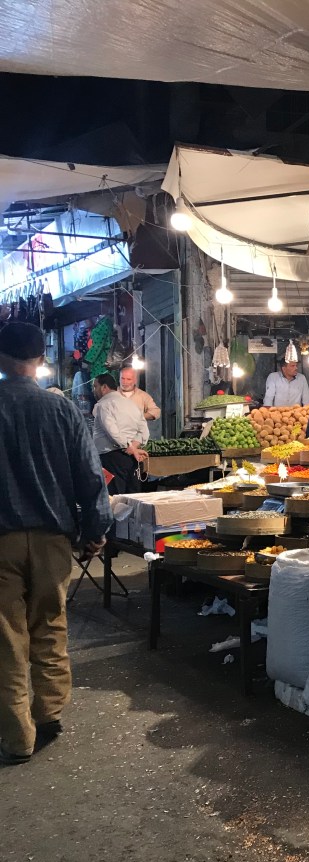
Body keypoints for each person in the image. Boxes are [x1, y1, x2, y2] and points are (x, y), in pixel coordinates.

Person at [0, 322, 112, 765]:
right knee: (49, 624)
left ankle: (16, 736)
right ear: (41, 360)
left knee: (7, 638)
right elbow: (89, 476)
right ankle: (48, 714)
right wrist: (95, 530)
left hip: (1, 542)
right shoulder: (61, 410)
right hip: (52, 540)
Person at [91, 373, 149, 495]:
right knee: (132, 497)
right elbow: (144, 431)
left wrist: (131, 447)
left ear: (104, 387)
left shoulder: (103, 405)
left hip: (111, 458)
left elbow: (112, 431)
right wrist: (134, 446)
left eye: (95, 386)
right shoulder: (131, 404)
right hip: (131, 459)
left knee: (115, 499)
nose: (93, 390)